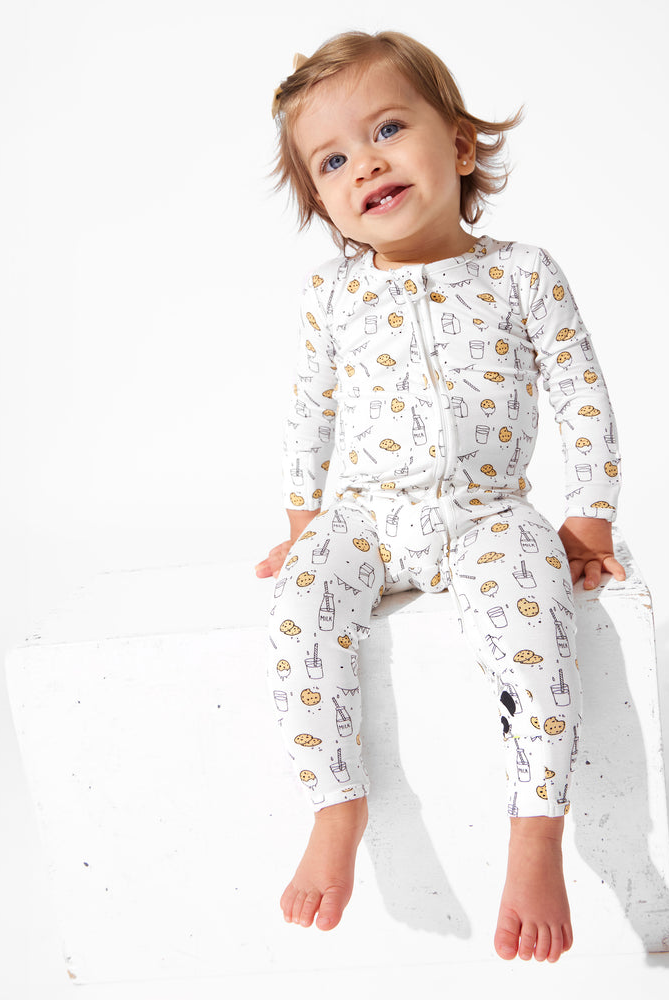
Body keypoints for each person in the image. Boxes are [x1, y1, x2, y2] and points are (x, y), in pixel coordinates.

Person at [255, 29, 626, 964]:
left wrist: (588, 517)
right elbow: (309, 414)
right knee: (299, 613)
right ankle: (335, 806)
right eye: (332, 161)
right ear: (324, 202)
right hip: (364, 517)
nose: (365, 163)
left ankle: (536, 835)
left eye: (387, 129)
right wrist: (303, 526)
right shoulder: (331, 296)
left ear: (459, 145)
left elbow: (581, 393)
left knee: (538, 629)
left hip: (489, 514)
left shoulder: (520, 273)